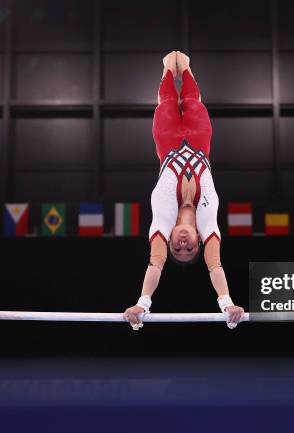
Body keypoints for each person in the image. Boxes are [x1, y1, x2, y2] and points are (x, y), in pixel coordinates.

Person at [123, 51, 245, 330]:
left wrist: (143, 303)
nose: (182, 245)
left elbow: (155, 265)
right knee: (192, 102)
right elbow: (215, 266)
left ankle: (167, 69)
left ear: (168, 243)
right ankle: (186, 68)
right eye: (189, 249)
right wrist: (227, 304)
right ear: (199, 241)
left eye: (177, 249)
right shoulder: (207, 222)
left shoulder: (162, 220)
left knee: (167, 103)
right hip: (200, 142)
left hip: (168, 143)